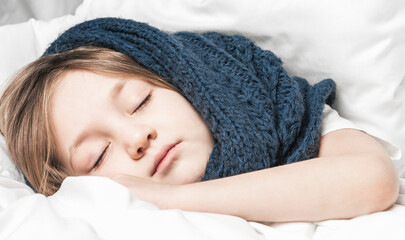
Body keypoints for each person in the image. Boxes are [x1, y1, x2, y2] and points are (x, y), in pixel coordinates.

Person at [0, 18, 399, 223]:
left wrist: (168, 198)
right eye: (98, 155)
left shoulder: (288, 119)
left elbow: (372, 180)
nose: (137, 137)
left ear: (189, 83)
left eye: (140, 102)